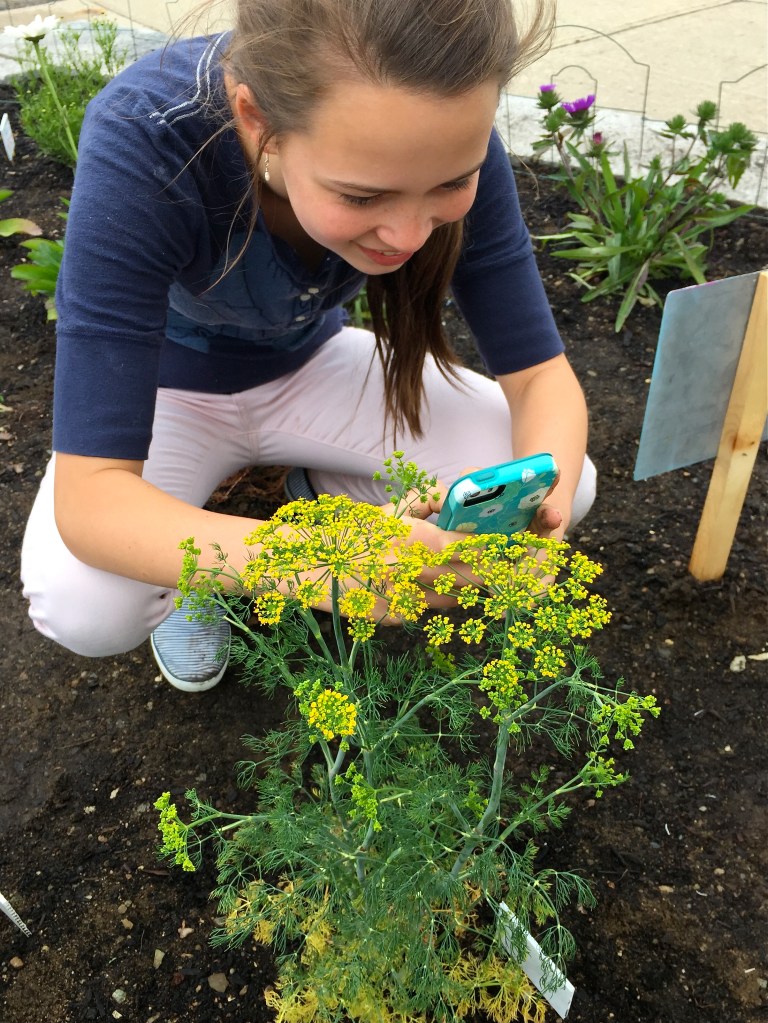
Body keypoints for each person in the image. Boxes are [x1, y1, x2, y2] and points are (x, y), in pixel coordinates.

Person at [21, 0, 596, 693]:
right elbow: (92, 502)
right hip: (167, 393)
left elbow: (541, 379)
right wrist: (315, 558)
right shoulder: (147, 140)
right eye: (361, 196)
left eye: (449, 184)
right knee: (88, 604)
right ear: (256, 122)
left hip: (311, 363)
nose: (410, 234)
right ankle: (205, 564)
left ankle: (303, 494)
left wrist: (535, 518)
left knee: (570, 478)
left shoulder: (447, 133)